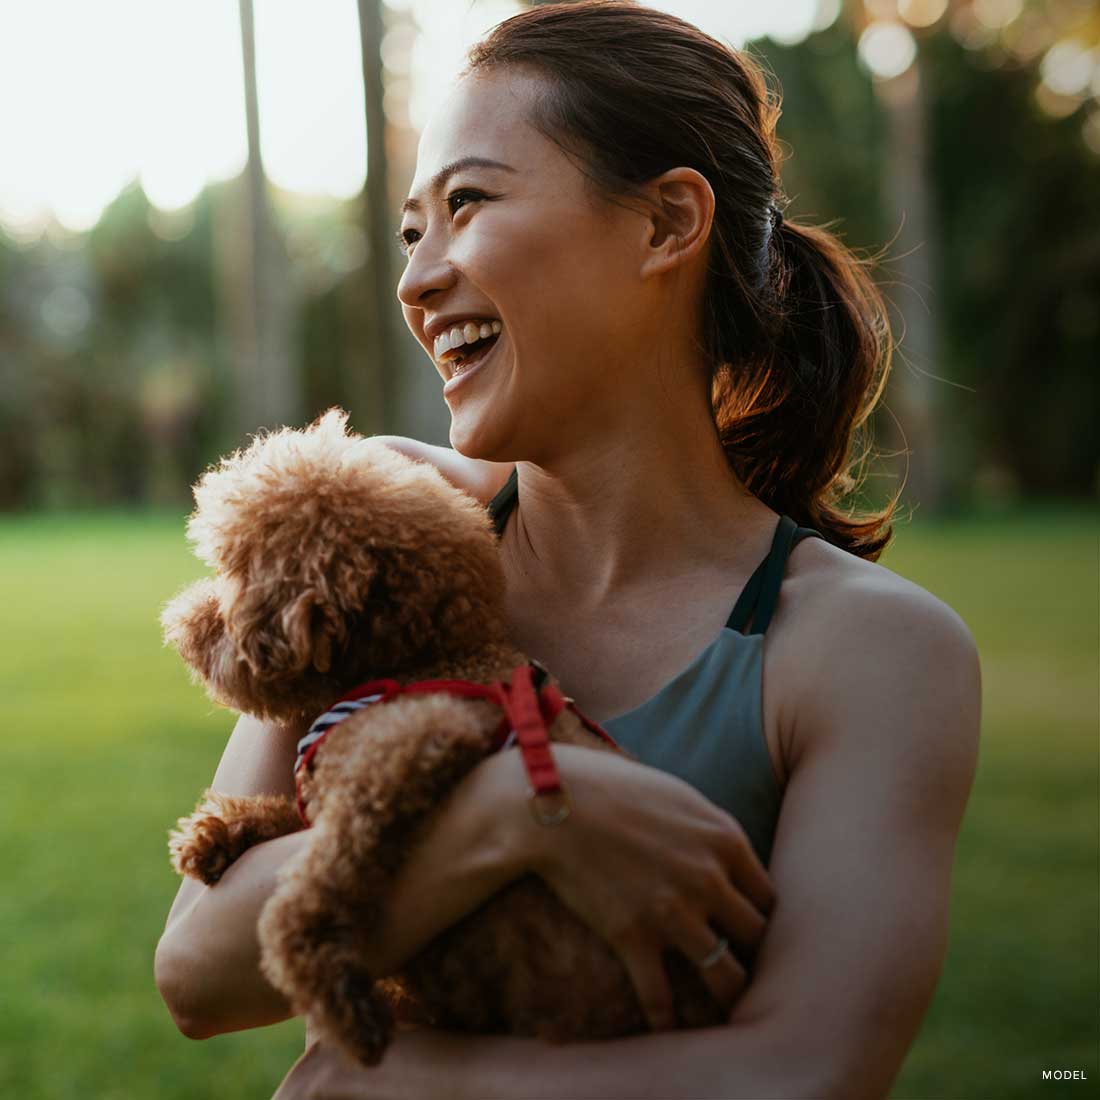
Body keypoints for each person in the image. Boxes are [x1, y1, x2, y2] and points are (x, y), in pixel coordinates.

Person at [155, 3, 981, 1097]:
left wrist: (402, 1082)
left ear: (664, 223)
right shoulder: (381, 534)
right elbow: (199, 970)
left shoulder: (869, 650)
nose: (416, 278)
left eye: (468, 203)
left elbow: (805, 1069)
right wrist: (524, 813)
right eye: (413, 230)